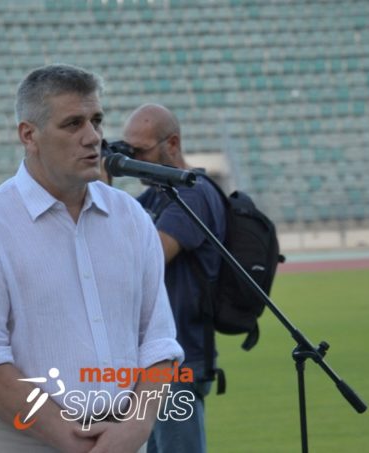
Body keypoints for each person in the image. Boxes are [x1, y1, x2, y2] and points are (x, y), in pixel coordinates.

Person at [0, 65, 184, 453]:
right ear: (29, 135)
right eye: (73, 124)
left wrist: (137, 425)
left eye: (96, 121)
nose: (93, 137)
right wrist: (71, 437)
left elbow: (158, 343)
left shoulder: (132, 218)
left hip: (123, 441)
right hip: (21, 442)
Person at [121, 104, 226, 453]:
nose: (133, 160)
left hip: (180, 359)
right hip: (153, 358)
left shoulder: (193, 192)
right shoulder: (156, 194)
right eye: (128, 151)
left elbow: (148, 259)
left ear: (173, 144)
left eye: (141, 151)